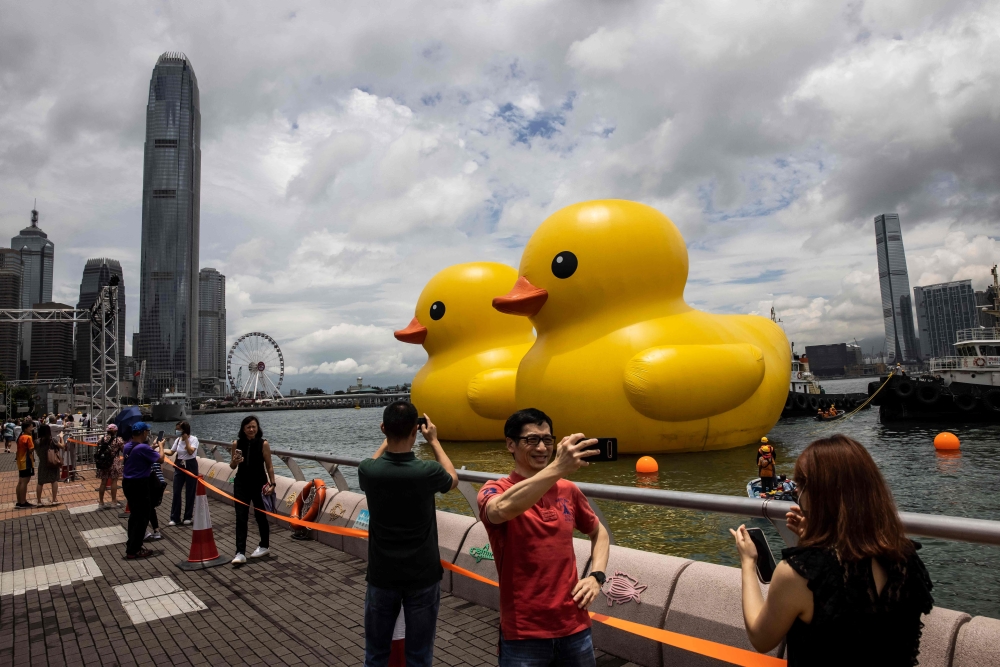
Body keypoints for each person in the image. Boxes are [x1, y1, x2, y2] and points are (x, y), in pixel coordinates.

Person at [731, 435, 933, 666]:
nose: (797, 494)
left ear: (814, 496)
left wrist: (748, 562)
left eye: (800, 487)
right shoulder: (906, 559)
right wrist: (809, 544)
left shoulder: (798, 575)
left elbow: (761, 638)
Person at [478, 408, 611, 667]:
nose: (542, 448)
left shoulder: (568, 489)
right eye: (532, 440)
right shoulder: (495, 489)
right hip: (523, 634)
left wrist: (596, 576)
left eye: (548, 440)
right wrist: (558, 468)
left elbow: (599, 532)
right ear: (510, 445)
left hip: (575, 628)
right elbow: (500, 510)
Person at [358, 401, 459, 667]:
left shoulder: (368, 471)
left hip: (382, 575)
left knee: (375, 654)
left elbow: (373, 462)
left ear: (383, 428)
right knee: (419, 656)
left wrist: (386, 440)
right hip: (422, 575)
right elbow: (453, 477)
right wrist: (434, 441)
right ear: (416, 431)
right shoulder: (428, 472)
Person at [229, 415, 276, 564]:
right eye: (248, 427)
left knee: (260, 515)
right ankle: (240, 552)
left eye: (253, 427)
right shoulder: (237, 443)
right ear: (243, 429)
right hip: (241, 484)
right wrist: (235, 461)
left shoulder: (263, 444)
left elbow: (269, 465)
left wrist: (272, 484)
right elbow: (232, 466)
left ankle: (264, 546)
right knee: (241, 517)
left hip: (259, 483)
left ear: (257, 428)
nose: (251, 429)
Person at [121, 422, 165, 559]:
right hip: (139, 484)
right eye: (147, 431)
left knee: (135, 516)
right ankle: (134, 549)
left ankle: (132, 546)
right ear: (144, 432)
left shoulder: (128, 446)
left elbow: (139, 453)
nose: (148, 433)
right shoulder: (143, 448)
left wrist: (152, 447)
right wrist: (161, 446)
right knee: (142, 517)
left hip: (128, 483)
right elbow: (161, 459)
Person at [167, 420, 199, 526]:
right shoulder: (177, 440)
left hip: (190, 465)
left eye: (179, 429)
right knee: (176, 491)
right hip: (179, 465)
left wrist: (186, 441)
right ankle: (175, 517)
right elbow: (171, 452)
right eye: (176, 429)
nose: (177, 431)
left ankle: (188, 516)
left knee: (190, 491)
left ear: (185, 430)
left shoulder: (194, 439)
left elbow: (190, 451)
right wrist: (160, 449)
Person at [34, 423, 65, 505]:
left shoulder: (37, 441)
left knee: (40, 482)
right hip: (52, 462)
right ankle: (54, 500)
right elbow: (62, 446)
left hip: (42, 463)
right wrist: (61, 437)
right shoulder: (52, 440)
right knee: (54, 480)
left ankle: (39, 501)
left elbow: (37, 452)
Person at [95, 424, 124, 509]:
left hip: (103, 462)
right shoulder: (118, 440)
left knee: (103, 482)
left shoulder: (101, 439)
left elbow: (98, 446)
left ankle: (101, 503)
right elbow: (123, 450)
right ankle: (113, 502)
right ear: (115, 431)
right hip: (114, 462)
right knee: (114, 481)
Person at [15, 419, 36, 508]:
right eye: (31, 427)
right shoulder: (28, 437)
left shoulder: (21, 436)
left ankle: (19, 501)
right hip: (27, 461)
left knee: (20, 481)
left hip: (20, 461)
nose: (32, 429)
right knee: (25, 481)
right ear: (26, 428)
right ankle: (23, 502)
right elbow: (31, 449)